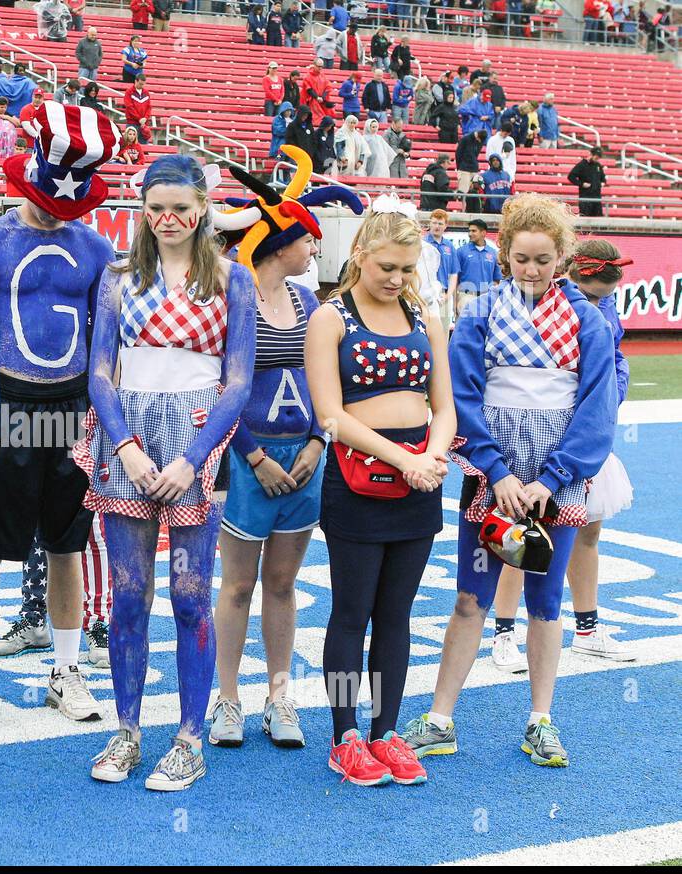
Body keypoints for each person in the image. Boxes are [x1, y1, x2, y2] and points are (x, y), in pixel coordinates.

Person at [403, 194, 616, 771]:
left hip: (556, 483)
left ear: (563, 257)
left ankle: (540, 721)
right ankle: (441, 718)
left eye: (544, 259)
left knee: (546, 603)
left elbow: (597, 408)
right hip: (491, 480)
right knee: (471, 598)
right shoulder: (480, 313)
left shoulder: (588, 321)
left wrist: (551, 478)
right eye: (522, 258)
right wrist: (496, 471)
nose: (532, 269)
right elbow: (459, 397)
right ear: (505, 255)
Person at [77, 154, 255, 791]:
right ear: (142, 209)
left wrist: (193, 458)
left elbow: (238, 382)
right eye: (157, 208)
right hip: (127, 440)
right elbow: (99, 374)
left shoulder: (233, 279)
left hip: (195, 444)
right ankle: (126, 730)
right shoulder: (118, 275)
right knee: (128, 597)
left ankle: (188, 738)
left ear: (203, 207)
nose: (168, 219)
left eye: (181, 207)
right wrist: (124, 445)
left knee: (190, 598)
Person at [0, 105, 119, 726]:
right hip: (7, 405)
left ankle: (67, 670)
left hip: (72, 405)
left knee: (68, 544)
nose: (57, 214)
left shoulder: (97, 248)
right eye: (50, 202)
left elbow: (109, 341)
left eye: (69, 206)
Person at [210, 154, 362, 751]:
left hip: (304, 456)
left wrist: (320, 440)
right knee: (237, 585)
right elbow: (221, 385)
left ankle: (279, 696)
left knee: (281, 581)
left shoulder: (307, 302)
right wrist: (252, 455)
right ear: (281, 242)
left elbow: (329, 377)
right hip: (250, 460)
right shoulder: (232, 293)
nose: (315, 249)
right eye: (308, 239)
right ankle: (227, 701)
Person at [304, 210, 455, 786]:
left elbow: (443, 405)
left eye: (407, 268)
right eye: (387, 266)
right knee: (351, 612)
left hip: (419, 479)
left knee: (397, 615)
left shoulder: (425, 315)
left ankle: (384, 731)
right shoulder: (329, 317)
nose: (396, 278)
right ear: (360, 252)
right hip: (359, 480)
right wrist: (407, 461)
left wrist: (434, 455)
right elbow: (331, 416)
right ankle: (345, 735)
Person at [488, 239, 636, 671]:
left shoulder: (602, 307)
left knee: (588, 530)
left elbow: (615, 359)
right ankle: (504, 632)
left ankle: (587, 628)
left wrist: (607, 403)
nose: (598, 305)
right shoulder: (545, 305)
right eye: (593, 295)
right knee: (523, 534)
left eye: (604, 299)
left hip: (586, 437)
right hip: (539, 435)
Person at [456, 217, 502, 309]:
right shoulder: (461, 251)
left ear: (483, 233)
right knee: (466, 323)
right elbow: (455, 277)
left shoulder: (493, 253)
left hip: (486, 297)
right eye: (469, 231)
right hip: (466, 296)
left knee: (486, 323)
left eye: (474, 231)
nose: (470, 234)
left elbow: (497, 279)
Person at [568, 146, 607, 217]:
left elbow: (603, 178)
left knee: (598, 219)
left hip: (597, 198)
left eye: (598, 158)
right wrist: (581, 184)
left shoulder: (598, 165)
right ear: (591, 155)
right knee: (585, 217)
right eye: (596, 158)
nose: (597, 160)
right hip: (585, 197)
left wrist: (602, 183)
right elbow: (571, 176)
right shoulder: (582, 165)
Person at [301, 60, 334, 127]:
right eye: (319, 66)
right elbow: (309, 89)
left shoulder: (322, 76)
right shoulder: (307, 77)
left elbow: (328, 87)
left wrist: (323, 97)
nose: (320, 68)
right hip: (311, 101)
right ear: (314, 65)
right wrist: (317, 97)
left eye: (322, 66)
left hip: (321, 101)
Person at [124, 74, 153, 143]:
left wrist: (145, 118)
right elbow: (130, 107)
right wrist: (139, 118)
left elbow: (149, 107)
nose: (142, 86)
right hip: (132, 123)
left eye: (143, 84)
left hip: (143, 124)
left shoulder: (146, 92)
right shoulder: (129, 92)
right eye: (140, 84)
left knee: (144, 147)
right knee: (130, 145)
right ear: (135, 81)